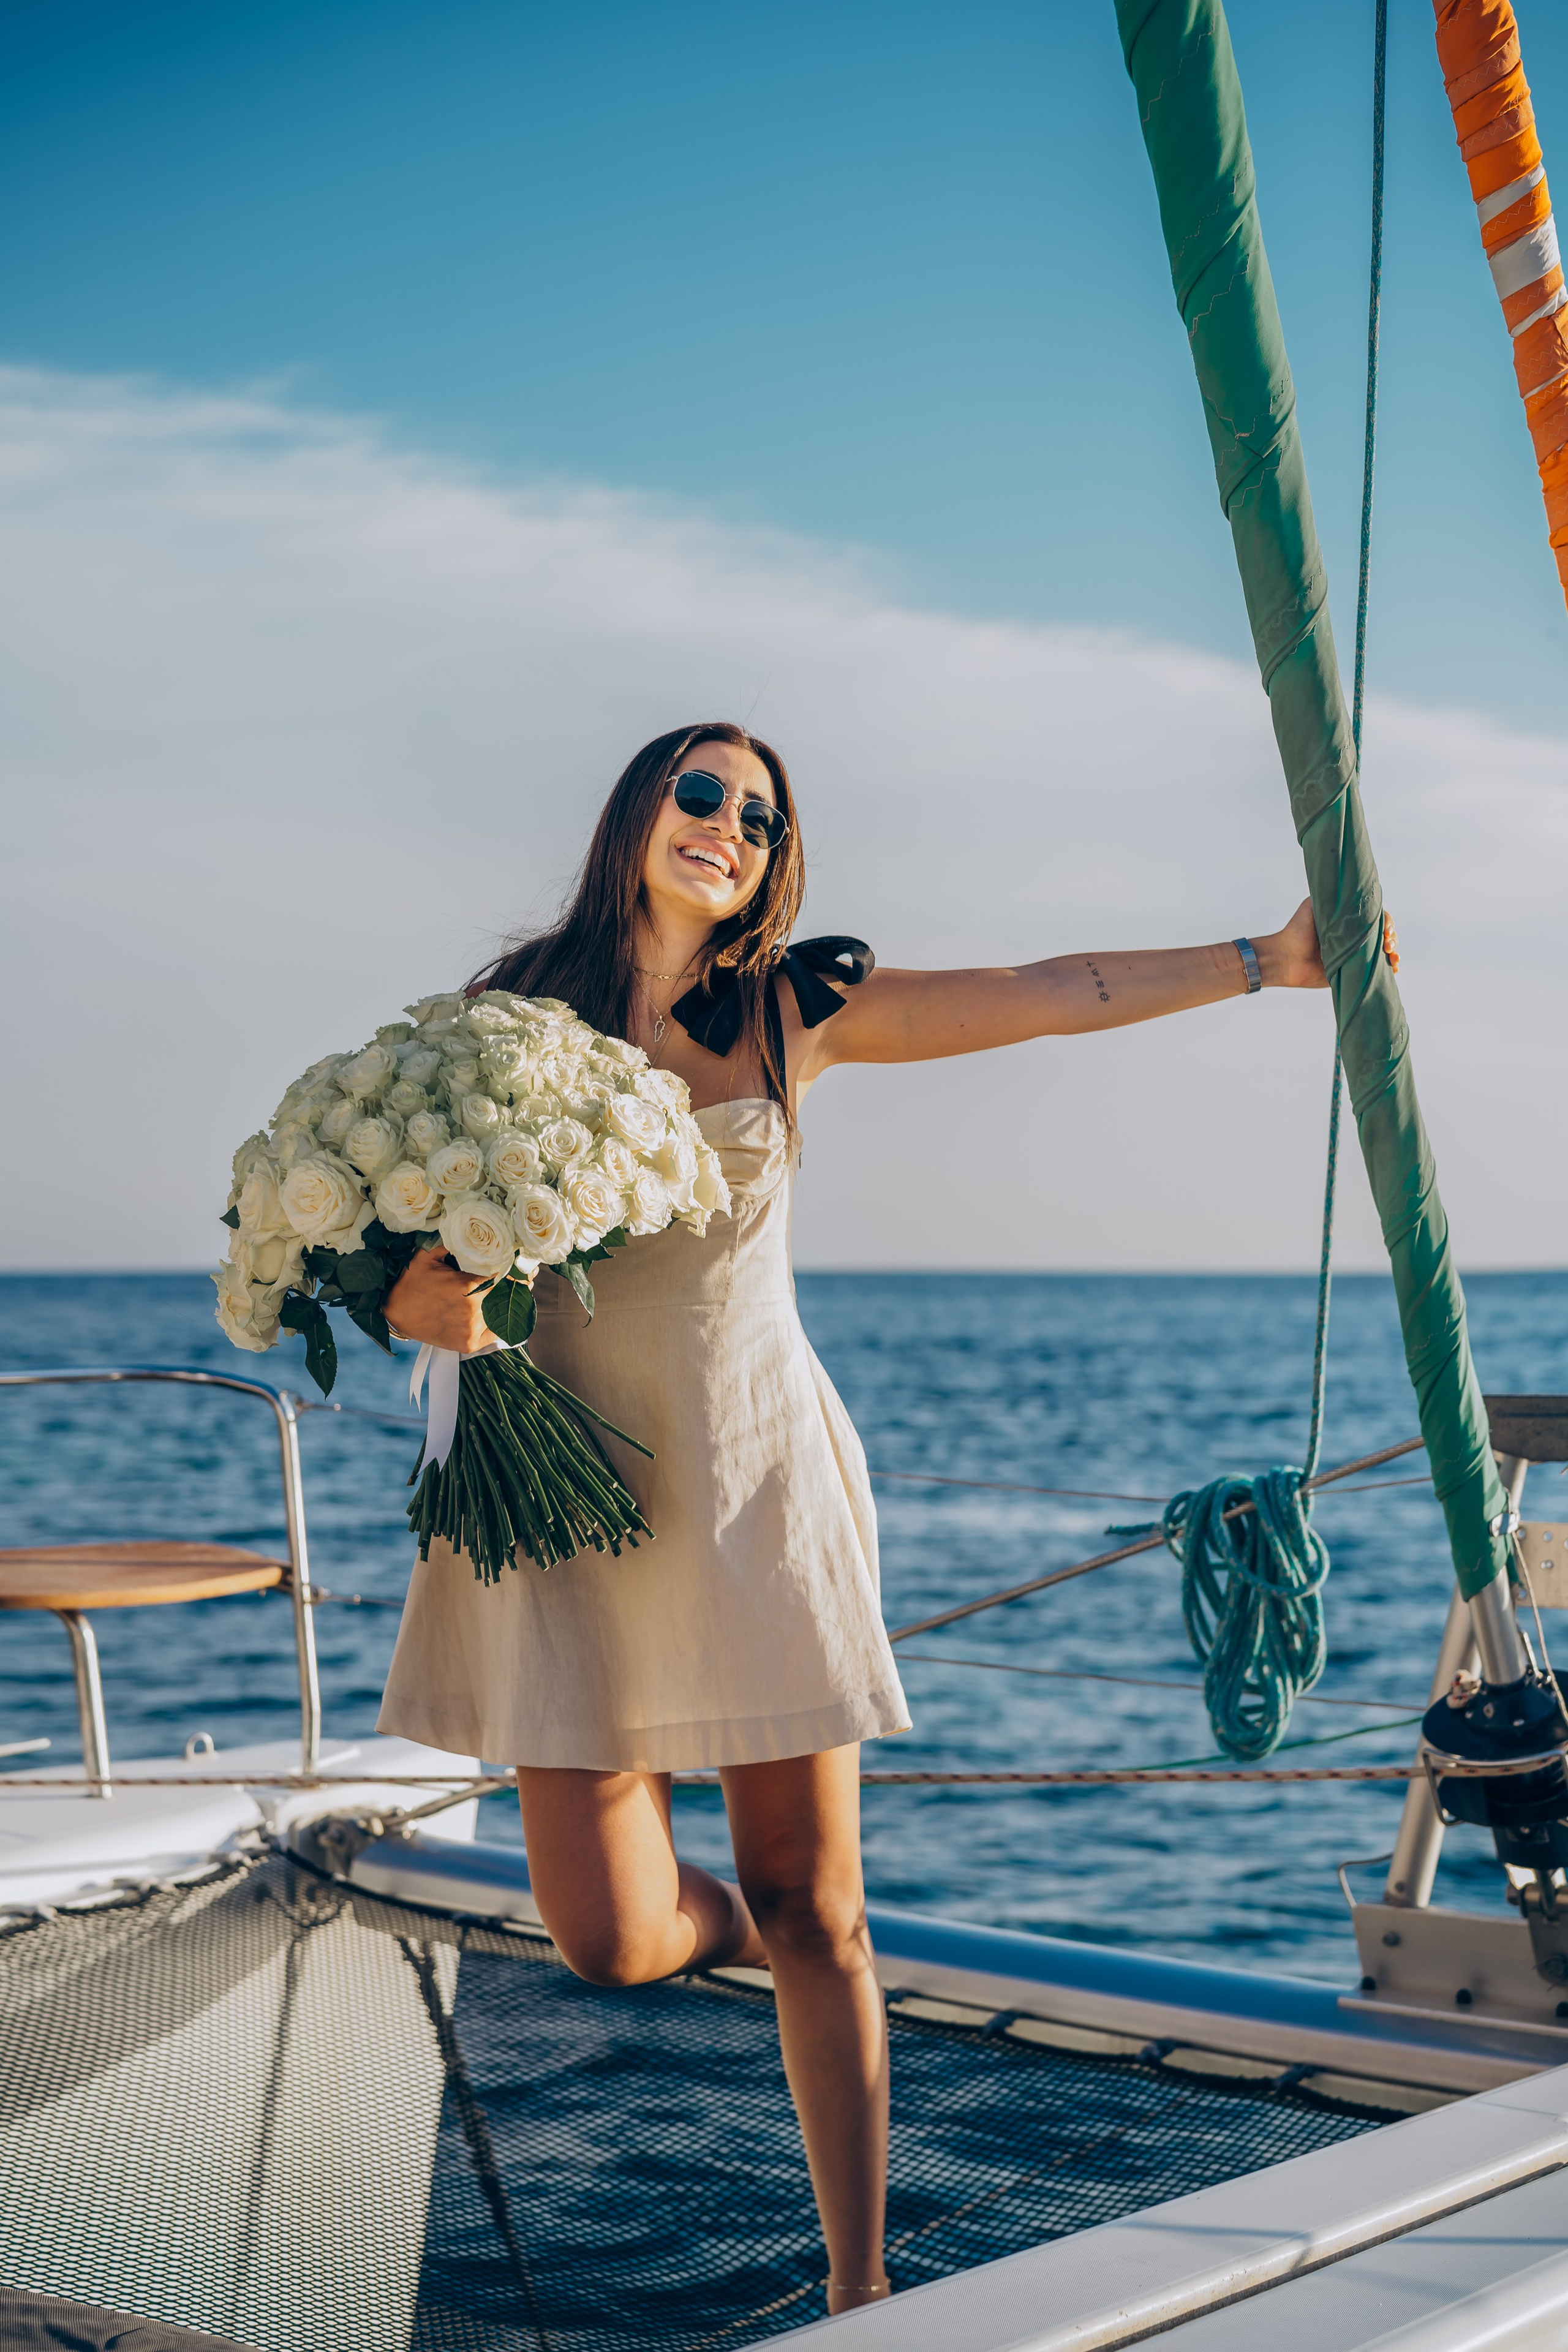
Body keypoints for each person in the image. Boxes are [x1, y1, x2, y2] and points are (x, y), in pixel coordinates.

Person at [377, 719, 1328, 2313]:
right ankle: (762, 1937)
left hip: (759, 1484)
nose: (728, 825)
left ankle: (861, 2288)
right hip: (563, 1508)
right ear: (635, 813)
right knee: (608, 1936)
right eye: (701, 792)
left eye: (760, 814)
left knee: (820, 1904)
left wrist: (1269, 958)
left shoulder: (786, 1011)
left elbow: (1049, 994)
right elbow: (416, 1281)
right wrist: (439, 1312)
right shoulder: (504, 1021)